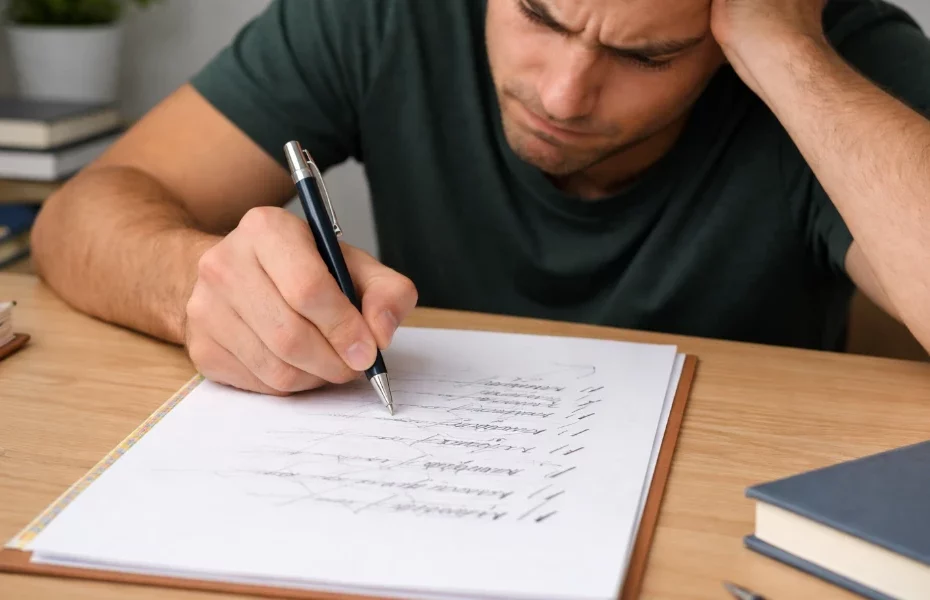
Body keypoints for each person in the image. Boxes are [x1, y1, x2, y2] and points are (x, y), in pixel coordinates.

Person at [30, 0, 930, 396]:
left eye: (647, 56)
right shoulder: (387, 15)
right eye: (540, 15)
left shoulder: (840, 56)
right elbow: (80, 215)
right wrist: (197, 280)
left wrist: (786, 55)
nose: (566, 94)